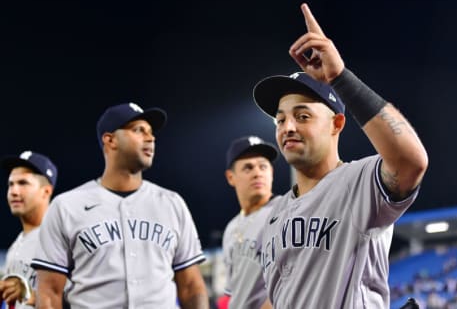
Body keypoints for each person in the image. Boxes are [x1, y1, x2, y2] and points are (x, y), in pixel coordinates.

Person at [254, 3, 429, 309]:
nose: (288, 127)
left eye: (303, 116)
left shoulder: (357, 184)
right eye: (281, 120)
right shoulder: (274, 214)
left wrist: (339, 77)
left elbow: (411, 162)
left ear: (336, 124)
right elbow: (280, 296)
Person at [31, 102, 209, 309]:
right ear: (110, 140)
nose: (150, 138)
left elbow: (191, 287)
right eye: (138, 130)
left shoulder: (172, 203)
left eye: (151, 133)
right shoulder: (66, 206)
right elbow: (49, 292)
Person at [221, 136, 280, 309]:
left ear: (271, 173)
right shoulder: (231, 228)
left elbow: (297, 279)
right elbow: (233, 291)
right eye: (248, 168)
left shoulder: (286, 212)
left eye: (263, 166)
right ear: (231, 177)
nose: (257, 173)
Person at [0, 151, 58, 309]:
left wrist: (32, 296)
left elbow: (84, 298)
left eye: (23, 183)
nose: (14, 191)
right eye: (10, 184)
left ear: (46, 191)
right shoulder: (16, 245)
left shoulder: (60, 239)